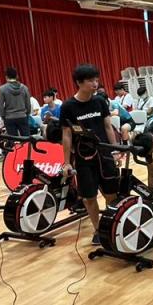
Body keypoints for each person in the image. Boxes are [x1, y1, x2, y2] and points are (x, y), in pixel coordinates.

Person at [59, 65, 122, 244]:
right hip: (83, 157)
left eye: (96, 80)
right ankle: (98, 229)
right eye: (90, 80)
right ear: (79, 82)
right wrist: (66, 162)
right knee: (89, 197)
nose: (95, 84)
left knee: (111, 194)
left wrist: (116, 150)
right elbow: (66, 135)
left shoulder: (100, 101)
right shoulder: (68, 106)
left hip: (104, 155)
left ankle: (111, 227)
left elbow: (108, 127)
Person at [0, 67, 32, 139]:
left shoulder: (2, 88)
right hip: (22, 116)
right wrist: (27, 114)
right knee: (27, 139)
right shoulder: (24, 88)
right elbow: (28, 104)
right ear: (17, 76)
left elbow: (0, 106)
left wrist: (4, 116)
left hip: (9, 118)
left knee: (13, 141)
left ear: (6, 77)